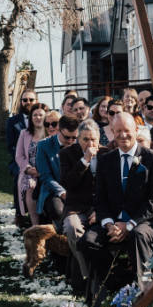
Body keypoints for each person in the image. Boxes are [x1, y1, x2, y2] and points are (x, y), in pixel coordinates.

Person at [82, 112, 153, 307]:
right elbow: (100, 199)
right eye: (117, 131)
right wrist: (108, 223)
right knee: (88, 241)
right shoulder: (106, 160)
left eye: (127, 131)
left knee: (138, 236)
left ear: (136, 131)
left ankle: (143, 302)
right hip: (113, 223)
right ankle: (103, 293)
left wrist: (129, 224)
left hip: (144, 222)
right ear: (112, 132)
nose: (122, 136)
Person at [55, 121, 101, 292]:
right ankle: (88, 273)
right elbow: (68, 183)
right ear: (78, 139)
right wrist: (85, 161)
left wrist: (100, 210)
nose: (90, 144)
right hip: (77, 205)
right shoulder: (67, 154)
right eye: (85, 139)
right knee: (71, 228)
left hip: (100, 207)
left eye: (93, 140)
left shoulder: (106, 153)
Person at [13, 103, 47, 225]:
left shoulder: (51, 132)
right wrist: (28, 169)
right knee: (30, 185)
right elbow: (19, 156)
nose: (38, 117)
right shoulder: (24, 133)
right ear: (31, 118)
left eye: (41, 115)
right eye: (35, 115)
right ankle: (35, 224)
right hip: (30, 171)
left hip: (47, 171)